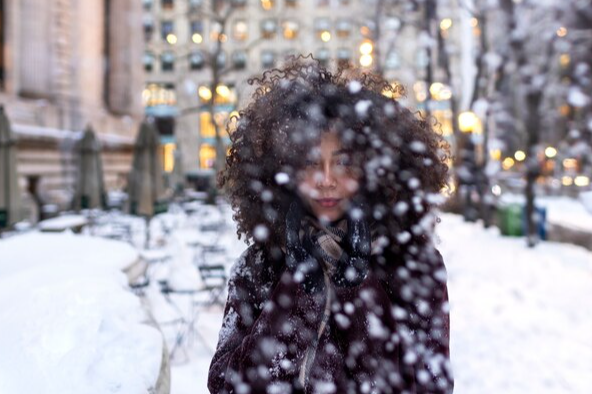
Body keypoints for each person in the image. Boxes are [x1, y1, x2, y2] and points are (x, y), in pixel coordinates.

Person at [208, 57, 454, 394]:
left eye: (344, 163)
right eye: (310, 163)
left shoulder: (414, 266)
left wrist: (358, 289)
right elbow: (225, 384)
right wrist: (296, 292)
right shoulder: (258, 265)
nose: (326, 180)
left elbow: (430, 386)